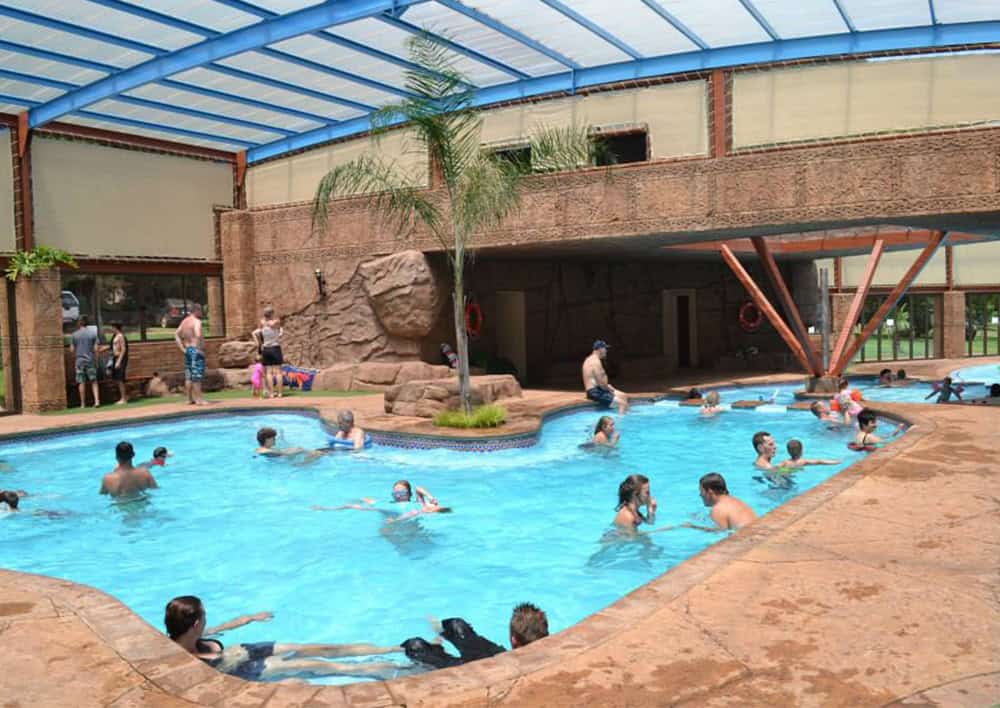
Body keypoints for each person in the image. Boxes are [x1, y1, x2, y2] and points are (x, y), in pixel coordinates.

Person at [164, 595, 408, 682]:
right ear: (195, 624)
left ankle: (395, 649)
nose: (207, 620)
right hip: (243, 669)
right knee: (316, 664)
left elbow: (220, 628)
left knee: (316, 648)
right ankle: (397, 671)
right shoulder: (179, 656)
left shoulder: (193, 634)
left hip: (245, 650)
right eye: (204, 616)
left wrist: (250, 618)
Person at [402, 603, 548, 670]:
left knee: (415, 646)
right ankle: (438, 633)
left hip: (479, 667)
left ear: (513, 640)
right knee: (457, 625)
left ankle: (435, 633)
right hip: (497, 655)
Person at [313, 480, 449, 523]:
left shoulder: (418, 504)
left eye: (402, 493)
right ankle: (326, 508)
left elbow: (418, 489)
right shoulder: (389, 503)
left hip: (397, 516)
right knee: (353, 504)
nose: (398, 495)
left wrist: (430, 497)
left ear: (409, 494)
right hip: (385, 508)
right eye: (396, 493)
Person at [582, 340, 628, 415]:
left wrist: (608, 386)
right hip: (595, 392)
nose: (606, 351)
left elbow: (597, 381)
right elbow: (601, 383)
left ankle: (618, 414)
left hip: (597, 390)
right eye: (605, 348)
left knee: (624, 396)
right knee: (622, 404)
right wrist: (609, 388)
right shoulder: (595, 362)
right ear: (600, 349)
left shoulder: (590, 359)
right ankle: (621, 420)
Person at [175, 304, 208, 405]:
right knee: (196, 375)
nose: (201, 312)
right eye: (200, 310)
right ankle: (199, 400)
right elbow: (198, 335)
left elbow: (176, 334)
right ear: (196, 311)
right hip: (195, 350)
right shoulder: (197, 321)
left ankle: (189, 399)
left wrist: (183, 349)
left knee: (189, 375)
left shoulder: (184, 321)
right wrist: (198, 349)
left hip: (188, 350)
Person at [70, 316, 101, 408]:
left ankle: (83, 404)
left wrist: (76, 355)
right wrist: (96, 361)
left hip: (79, 361)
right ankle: (97, 401)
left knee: (81, 382)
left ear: (79, 323)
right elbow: (96, 349)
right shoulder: (93, 334)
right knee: (94, 381)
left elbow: (72, 350)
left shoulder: (74, 335)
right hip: (90, 360)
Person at [257, 307, 284, 399]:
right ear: (272, 313)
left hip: (266, 348)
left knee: (268, 372)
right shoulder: (277, 321)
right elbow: (274, 325)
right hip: (275, 347)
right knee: (278, 372)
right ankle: (280, 393)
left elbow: (259, 334)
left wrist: (261, 345)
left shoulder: (262, 322)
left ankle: (271, 394)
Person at [109, 321, 129, 405]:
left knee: (120, 379)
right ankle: (122, 397)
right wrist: (102, 349)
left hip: (120, 358)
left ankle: (124, 398)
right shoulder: (115, 336)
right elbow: (112, 347)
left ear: (115, 327)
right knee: (117, 379)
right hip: (115, 358)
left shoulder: (121, 336)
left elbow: (123, 349)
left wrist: (119, 361)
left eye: (112, 327)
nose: (111, 329)